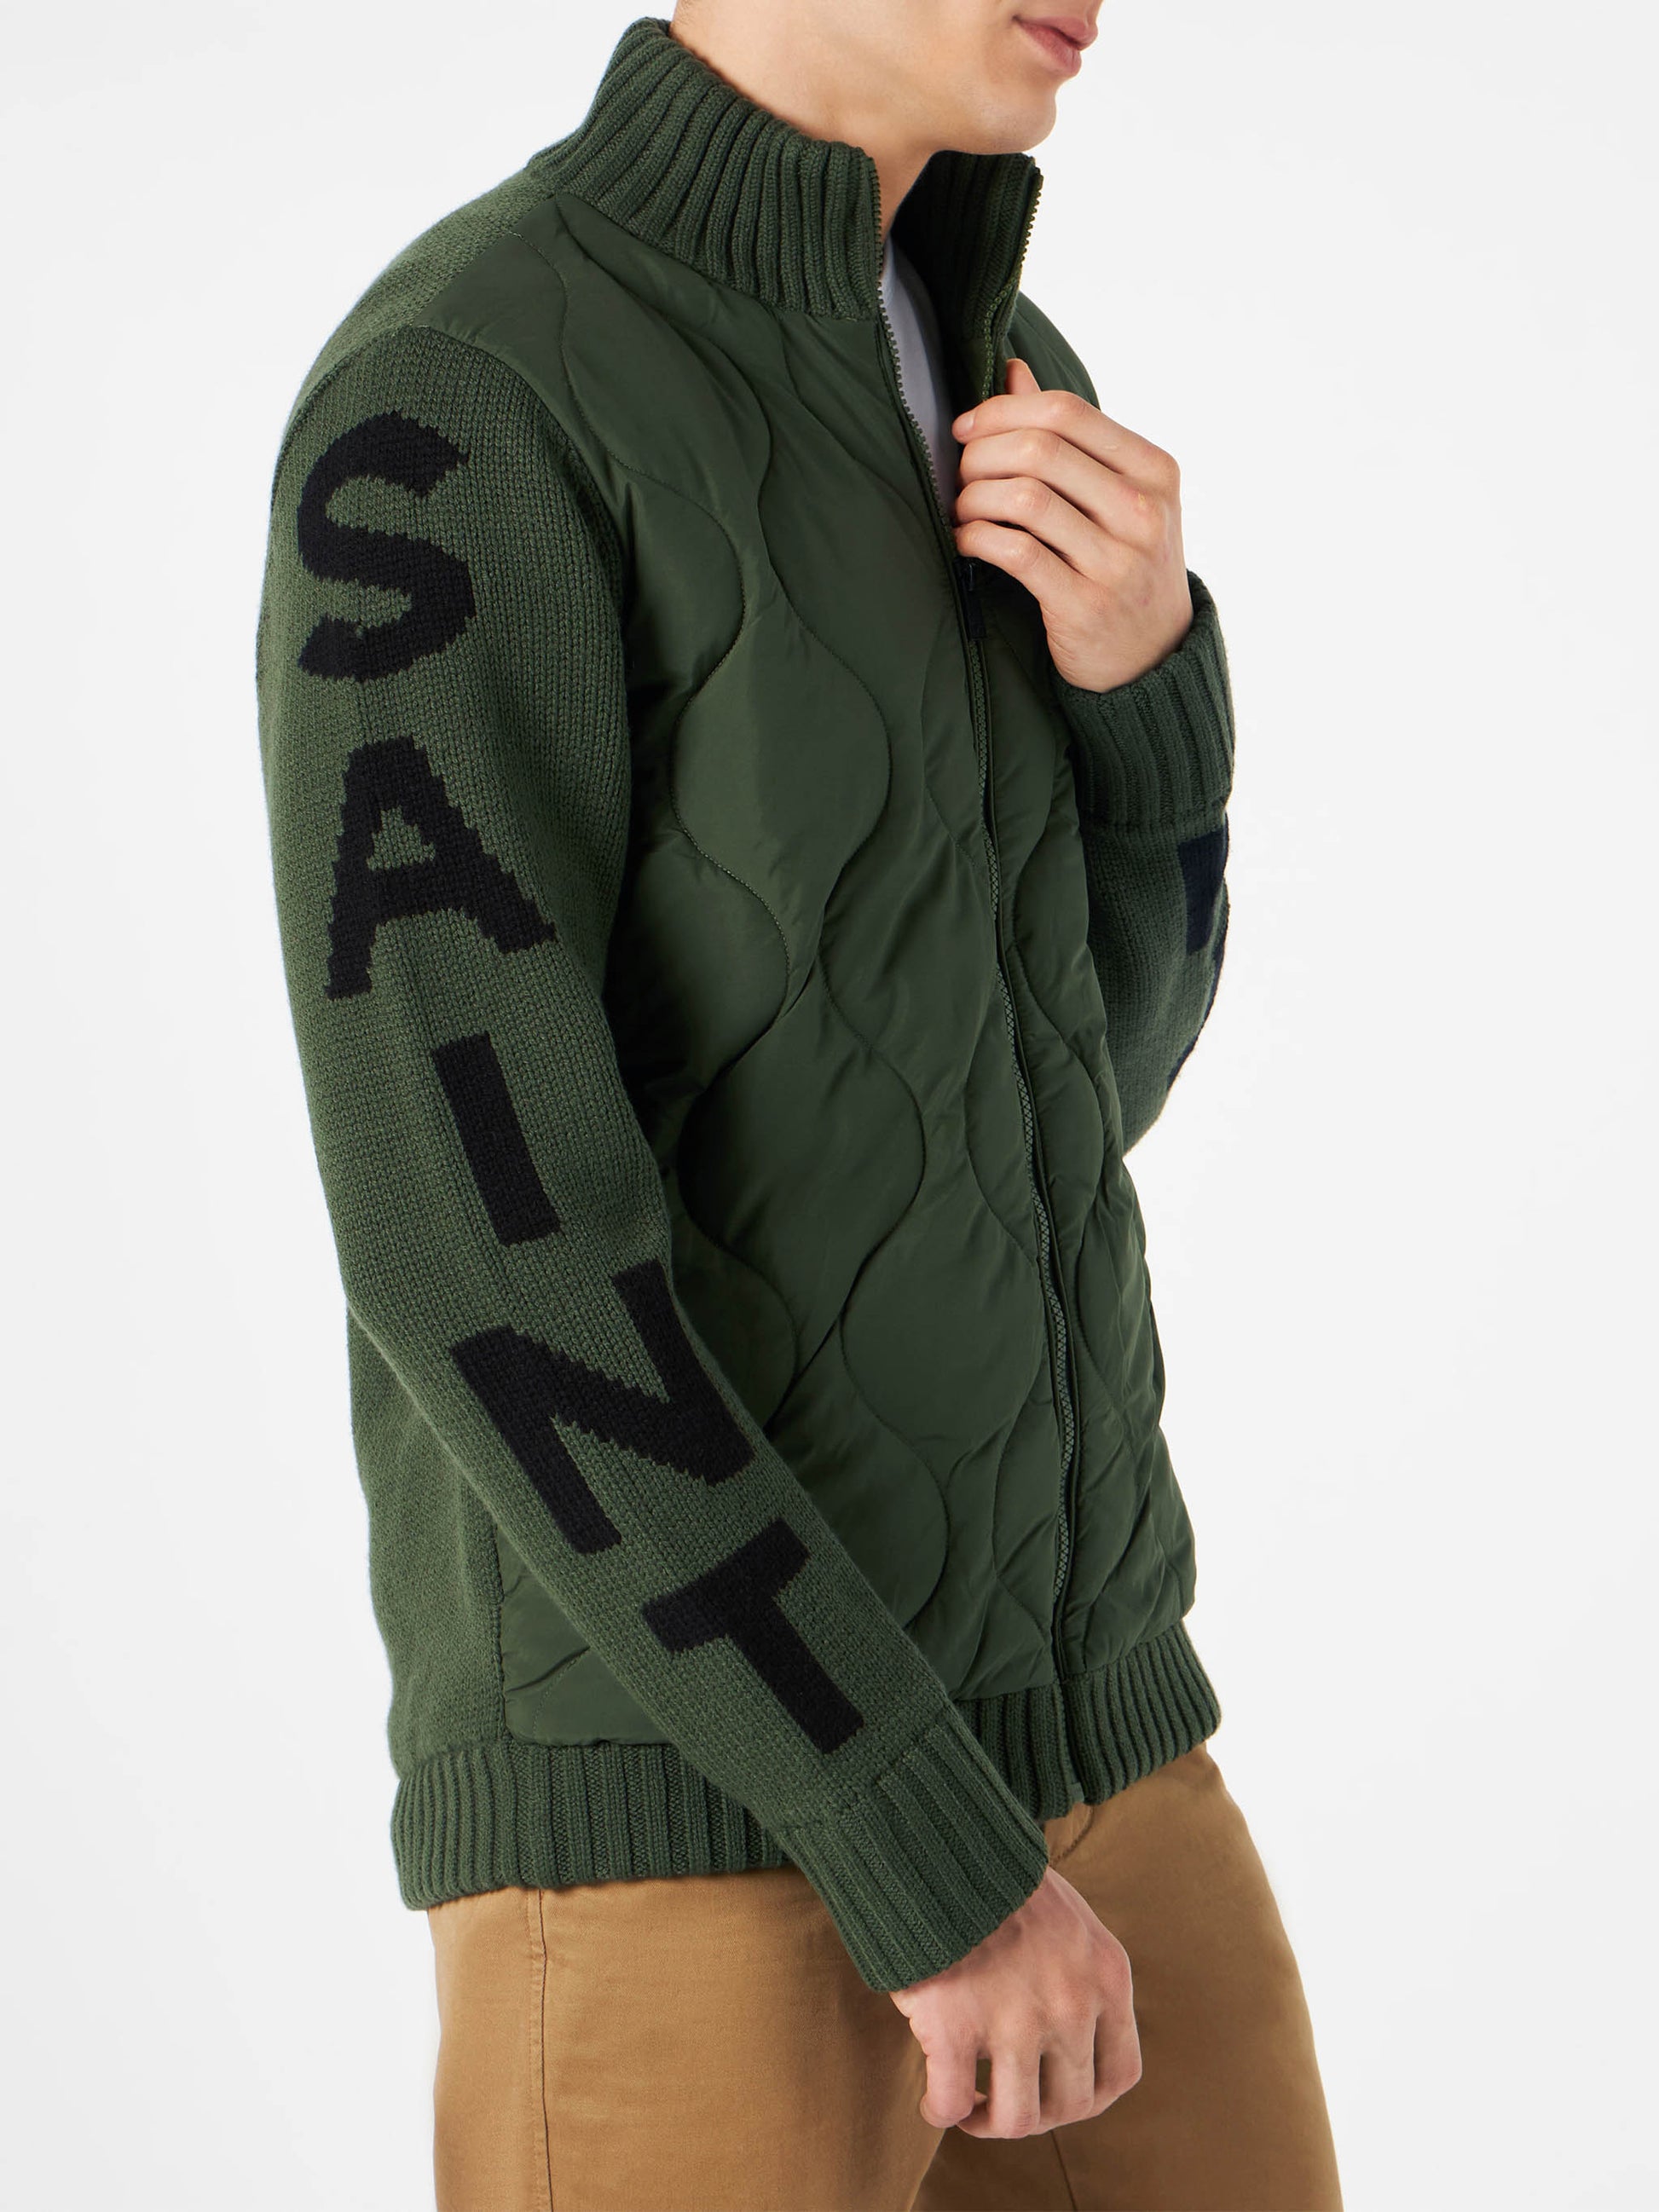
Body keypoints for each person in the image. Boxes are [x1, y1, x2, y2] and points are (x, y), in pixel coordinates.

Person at [255, 4, 1342, 2206]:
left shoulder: (997, 366)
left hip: (1095, 1751)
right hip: (688, 1825)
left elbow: (1066, 1099)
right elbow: (474, 1255)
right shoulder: (461, 398)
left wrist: (1149, 703)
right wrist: (911, 1843)